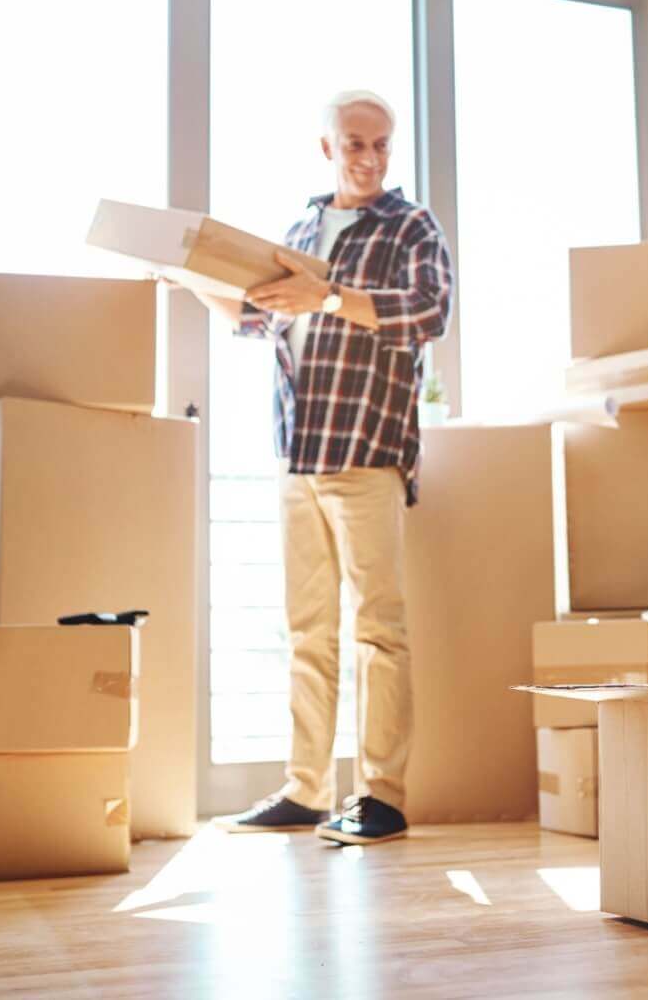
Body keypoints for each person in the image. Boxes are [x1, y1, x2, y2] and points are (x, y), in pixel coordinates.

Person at [209, 90, 453, 845]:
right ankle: (305, 789)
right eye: (355, 144)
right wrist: (187, 277)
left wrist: (332, 297)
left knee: (378, 629)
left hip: (367, 450)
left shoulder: (410, 225)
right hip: (300, 454)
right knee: (307, 631)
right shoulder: (300, 232)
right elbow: (257, 318)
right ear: (328, 148)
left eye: (381, 144)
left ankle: (381, 796)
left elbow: (430, 310)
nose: (370, 158)